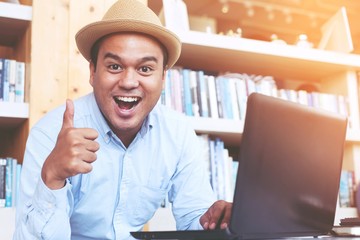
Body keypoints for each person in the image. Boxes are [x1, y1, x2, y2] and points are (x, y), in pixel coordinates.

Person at [13, 0, 232, 239]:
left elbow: (193, 221)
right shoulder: (49, 134)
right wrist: (52, 176)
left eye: (145, 69)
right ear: (93, 72)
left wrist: (213, 222)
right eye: (115, 66)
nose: (128, 82)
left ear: (163, 78)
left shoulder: (177, 134)